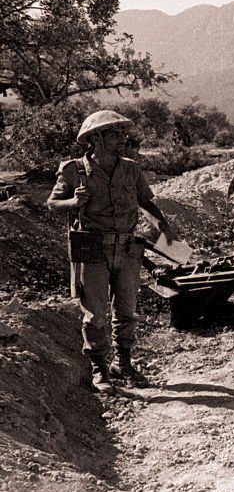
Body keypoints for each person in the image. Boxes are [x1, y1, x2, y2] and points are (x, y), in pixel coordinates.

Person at [46, 110, 178, 394]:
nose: (122, 139)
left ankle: (124, 363)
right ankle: (99, 369)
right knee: (95, 314)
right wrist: (72, 202)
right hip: (92, 248)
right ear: (96, 138)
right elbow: (52, 204)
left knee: (127, 311)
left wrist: (164, 226)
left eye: (122, 134)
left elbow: (146, 202)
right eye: (115, 134)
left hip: (128, 248)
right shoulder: (74, 170)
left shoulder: (131, 169)